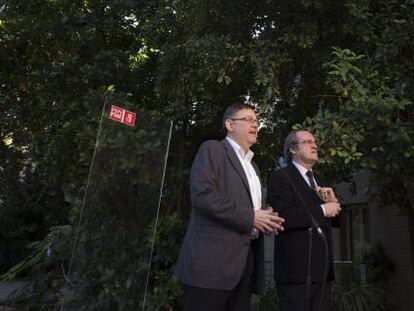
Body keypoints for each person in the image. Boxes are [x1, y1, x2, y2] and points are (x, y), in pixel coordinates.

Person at [175, 103, 285, 311]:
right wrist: (251, 217)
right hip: (210, 267)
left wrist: (266, 218)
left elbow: (252, 211)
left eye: (257, 121)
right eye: (249, 120)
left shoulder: (253, 166)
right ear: (230, 124)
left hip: (244, 267)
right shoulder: (213, 149)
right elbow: (203, 196)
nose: (255, 124)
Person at [267, 129, 341, 311]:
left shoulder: (320, 179)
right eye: (307, 142)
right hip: (296, 274)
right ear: (292, 149)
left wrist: (333, 203)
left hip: (323, 272)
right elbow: (284, 216)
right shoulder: (280, 177)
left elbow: (336, 221)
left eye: (315, 142)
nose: (314, 145)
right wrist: (323, 209)